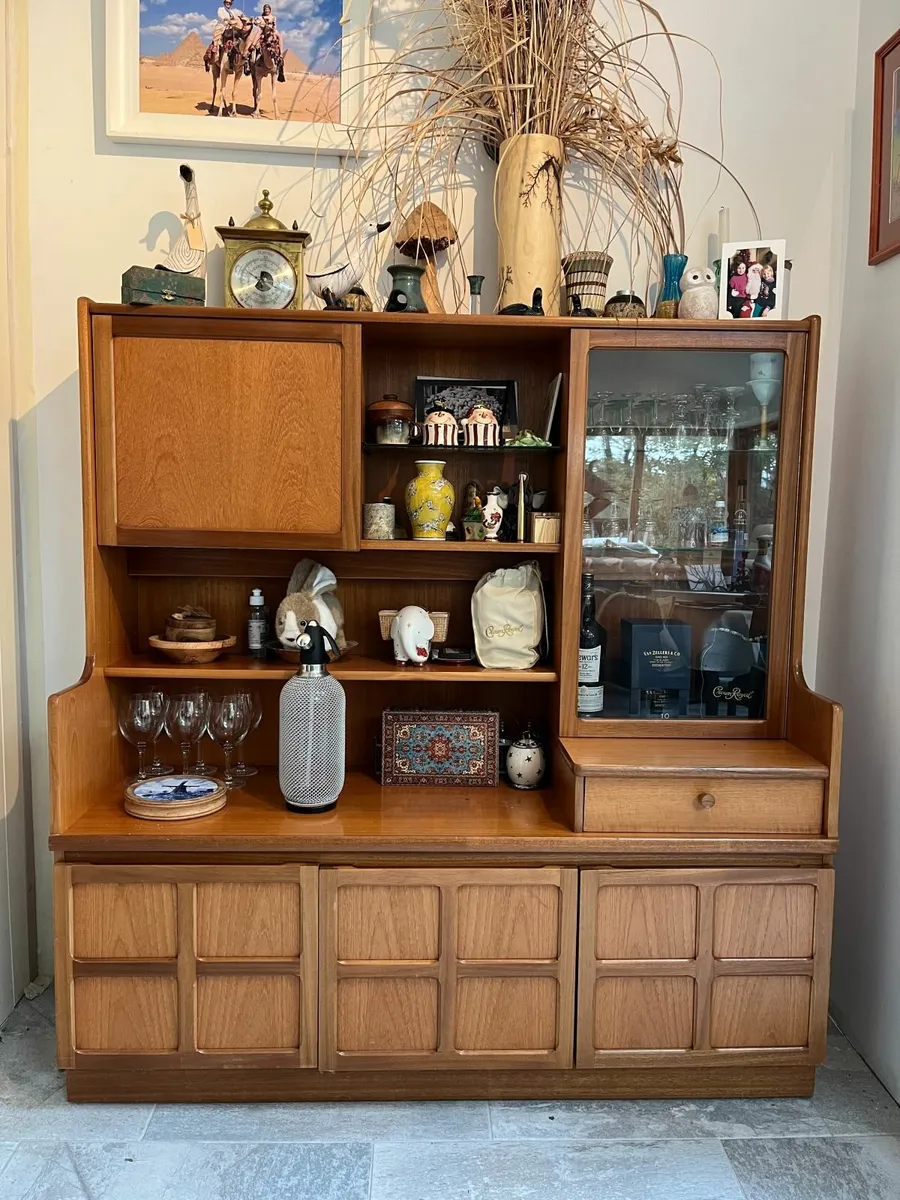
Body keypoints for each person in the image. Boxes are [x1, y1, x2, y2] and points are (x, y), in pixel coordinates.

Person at [245, 4, 285, 80]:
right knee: (255, 40)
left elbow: (274, 27)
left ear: (270, 10)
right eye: (265, 9)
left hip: (272, 32)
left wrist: (272, 31)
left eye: (268, 9)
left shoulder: (273, 17)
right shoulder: (260, 18)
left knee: (279, 36)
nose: (267, 10)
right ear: (264, 10)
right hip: (263, 32)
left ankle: (280, 55)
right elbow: (257, 24)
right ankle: (250, 63)